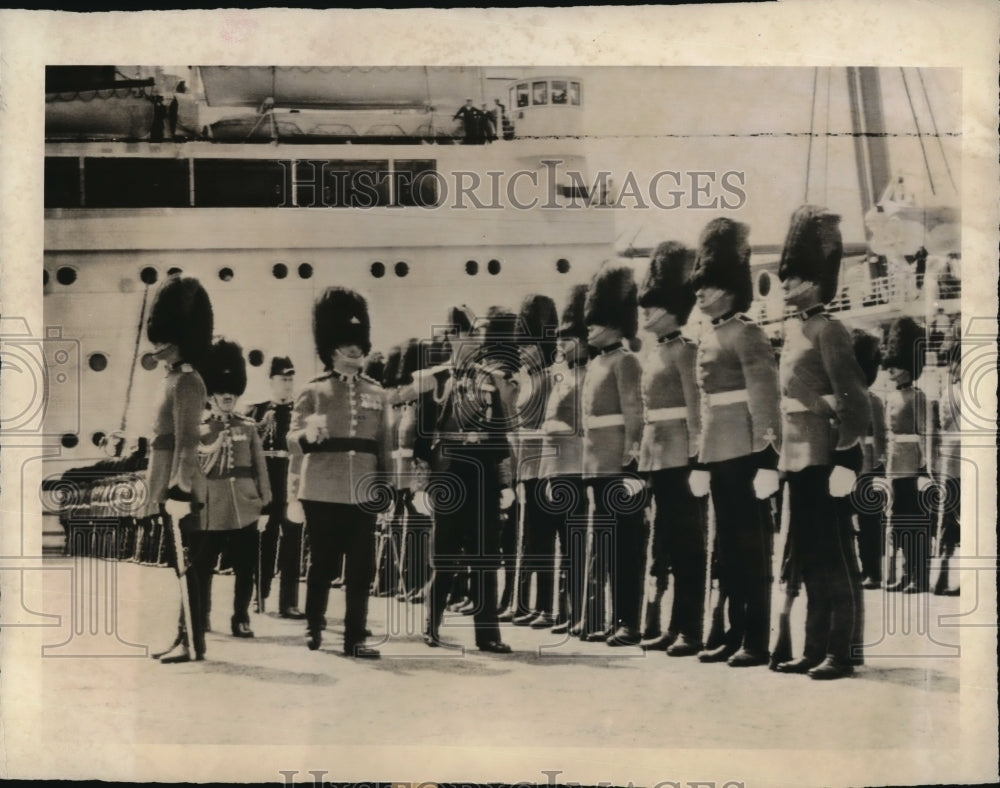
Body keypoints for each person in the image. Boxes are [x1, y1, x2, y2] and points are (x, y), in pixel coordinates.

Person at [772, 206, 869, 680]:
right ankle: (814, 648)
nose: (786, 285)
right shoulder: (794, 328)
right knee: (810, 556)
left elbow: (854, 397)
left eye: (794, 279)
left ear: (815, 281)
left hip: (827, 455)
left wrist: (847, 458)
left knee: (833, 556)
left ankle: (843, 649)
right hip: (798, 455)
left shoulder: (830, 328)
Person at [689, 218, 781, 668]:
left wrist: (767, 457)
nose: (700, 294)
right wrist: (702, 461)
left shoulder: (748, 333)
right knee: (726, 550)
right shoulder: (712, 334)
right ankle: (729, 631)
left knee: (750, 550)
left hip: (746, 453)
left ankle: (755, 640)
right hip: (721, 455)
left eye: (708, 286)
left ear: (730, 288)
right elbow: (708, 407)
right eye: (698, 287)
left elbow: (765, 398)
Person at [287, 287, 390, 659]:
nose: (355, 351)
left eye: (358, 344)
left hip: (362, 490)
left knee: (362, 568)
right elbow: (291, 439)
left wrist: (387, 489)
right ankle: (315, 624)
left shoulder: (377, 392)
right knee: (324, 564)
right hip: (321, 489)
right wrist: (307, 435)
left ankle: (355, 637)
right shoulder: (312, 391)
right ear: (331, 348)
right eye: (347, 344)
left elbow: (383, 443)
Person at [414, 305, 514, 653]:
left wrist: (504, 484)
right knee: (444, 556)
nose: (471, 341)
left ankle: (488, 634)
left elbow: (500, 435)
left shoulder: (490, 379)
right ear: (452, 337)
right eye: (465, 334)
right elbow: (420, 435)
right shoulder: (435, 379)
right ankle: (432, 626)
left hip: (483, 473)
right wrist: (420, 484)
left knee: (486, 557)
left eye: (474, 335)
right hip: (449, 473)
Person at [636, 242, 707, 656]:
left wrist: (698, 460)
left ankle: (690, 628)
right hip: (660, 458)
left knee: (688, 548)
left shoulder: (686, 352)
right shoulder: (656, 352)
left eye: (654, 305)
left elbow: (696, 411)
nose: (645, 312)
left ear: (672, 308)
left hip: (682, 457)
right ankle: (670, 625)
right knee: (665, 545)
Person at [145, 275, 213, 664]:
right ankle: (184, 638)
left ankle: (191, 643)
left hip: (181, 488)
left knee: (187, 566)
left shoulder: (187, 381)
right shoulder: (171, 378)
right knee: (181, 566)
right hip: (169, 480)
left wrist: (179, 488)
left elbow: (187, 440)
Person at [581, 266, 646, 647]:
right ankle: (604, 618)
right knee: (604, 544)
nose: (589, 329)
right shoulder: (596, 362)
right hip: (597, 466)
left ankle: (627, 622)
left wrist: (629, 463)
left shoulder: (625, 361)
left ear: (616, 324)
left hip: (620, 467)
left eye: (597, 322)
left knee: (625, 548)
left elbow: (635, 415)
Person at [198, 339, 271, 639]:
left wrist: (264, 503)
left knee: (245, 567)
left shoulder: (248, 427)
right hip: (210, 507)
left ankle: (241, 617)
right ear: (211, 394)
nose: (228, 396)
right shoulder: (200, 428)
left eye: (232, 391)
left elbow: (259, 467)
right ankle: (201, 614)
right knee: (203, 566)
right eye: (221, 391)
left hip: (244, 506)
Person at [538, 284, 590, 635]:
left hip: (575, 467)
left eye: (568, 337)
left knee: (575, 545)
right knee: (557, 545)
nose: (561, 343)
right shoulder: (563, 376)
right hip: (554, 469)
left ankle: (579, 612)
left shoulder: (589, 374)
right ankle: (562, 610)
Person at [510, 294, 560, 629]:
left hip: (546, 465)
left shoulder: (553, 377)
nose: (520, 351)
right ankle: (529, 604)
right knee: (532, 540)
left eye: (526, 344)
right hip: (528, 467)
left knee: (545, 539)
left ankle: (547, 605)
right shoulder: (529, 380)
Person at [244, 356, 304, 619]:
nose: (288, 384)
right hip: (266, 483)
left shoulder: (301, 412)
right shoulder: (256, 411)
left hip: (290, 483)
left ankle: (289, 603)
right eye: (283, 379)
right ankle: (260, 595)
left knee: (293, 540)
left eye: (291, 379)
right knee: (263, 541)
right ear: (271, 381)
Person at [882, 316, 936, 594]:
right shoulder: (890, 397)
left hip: (913, 466)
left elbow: (926, 432)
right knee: (899, 523)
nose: (890, 371)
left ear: (907, 369)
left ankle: (920, 575)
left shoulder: (919, 397)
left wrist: (924, 465)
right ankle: (906, 573)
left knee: (915, 523)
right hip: (894, 466)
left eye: (895, 366)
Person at [850, 330, 888, 589]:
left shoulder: (873, 401)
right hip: (850, 466)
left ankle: (872, 572)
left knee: (868, 525)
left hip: (867, 469)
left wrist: (876, 469)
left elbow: (880, 437)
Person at [933, 319, 961, 596]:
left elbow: (943, 425)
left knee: (948, 523)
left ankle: (942, 575)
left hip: (950, 463)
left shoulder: (948, 392)